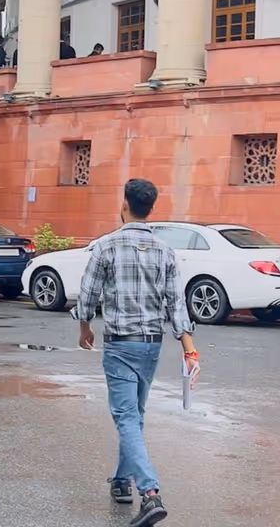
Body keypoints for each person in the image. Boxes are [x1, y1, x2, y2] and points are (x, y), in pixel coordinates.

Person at [72, 179, 200, 527]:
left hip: (119, 343)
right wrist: (189, 347)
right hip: (151, 344)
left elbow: (88, 293)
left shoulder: (106, 246)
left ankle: (150, 493)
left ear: (124, 205)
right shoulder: (164, 251)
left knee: (126, 417)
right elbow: (176, 302)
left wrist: (84, 326)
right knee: (135, 416)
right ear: (151, 209)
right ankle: (120, 482)